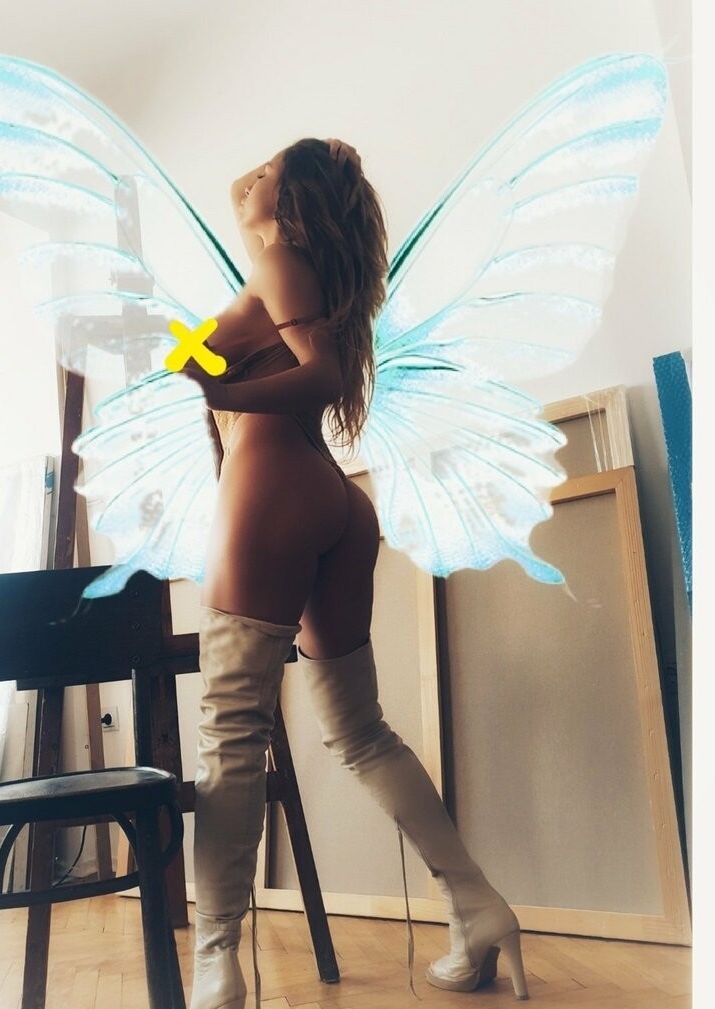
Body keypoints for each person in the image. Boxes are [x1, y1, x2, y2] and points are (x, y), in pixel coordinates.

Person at [179, 138, 530, 1008]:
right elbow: (243, 201)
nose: (251, 178)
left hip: (269, 487)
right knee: (361, 732)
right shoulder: (297, 269)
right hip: (332, 499)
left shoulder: (280, 266)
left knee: (230, 734)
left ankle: (216, 960)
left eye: (270, 172)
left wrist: (221, 390)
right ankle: (476, 906)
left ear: (295, 204)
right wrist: (283, 182)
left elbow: (321, 375)